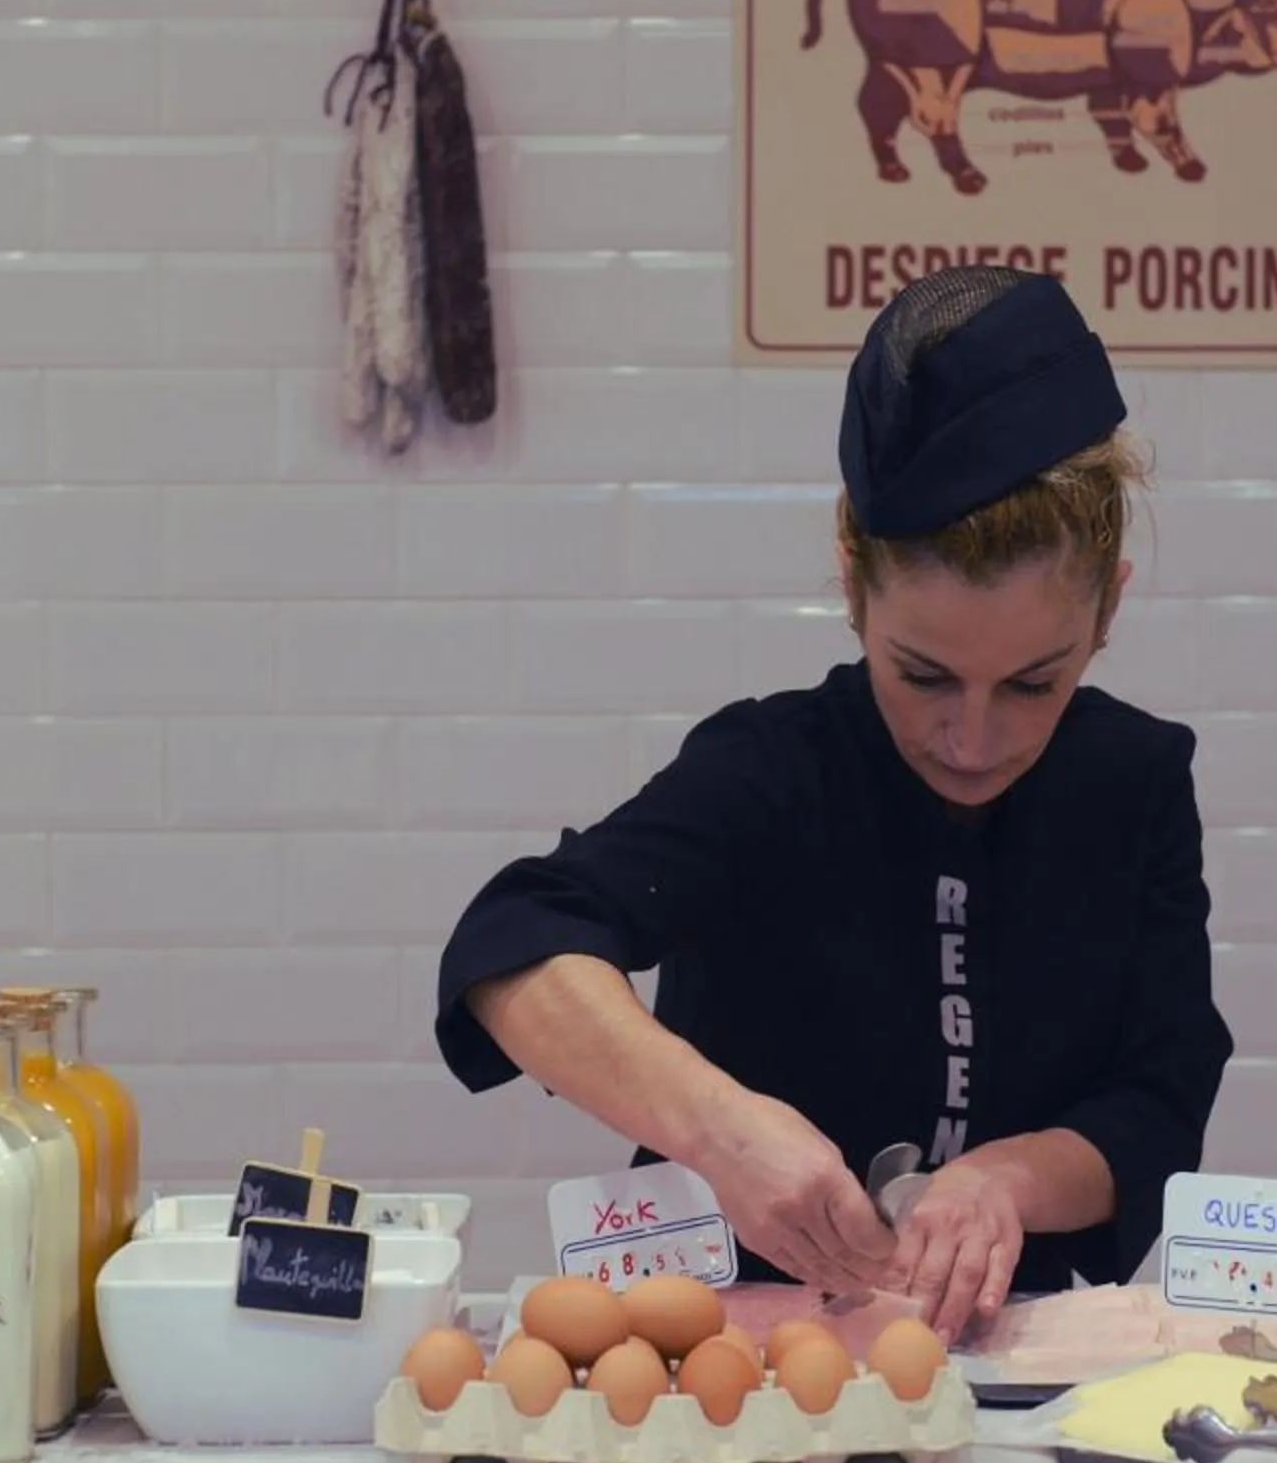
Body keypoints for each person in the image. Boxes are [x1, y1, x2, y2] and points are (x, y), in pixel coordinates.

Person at [432, 266, 1231, 1341]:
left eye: (1034, 683)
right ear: (852, 585)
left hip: (1014, 1369)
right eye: (925, 675)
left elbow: (1158, 1097)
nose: (973, 738)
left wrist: (1001, 1180)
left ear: (1108, 612)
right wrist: (720, 1128)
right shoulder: (770, 771)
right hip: (739, 1357)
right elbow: (512, 945)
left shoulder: (1133, 783)